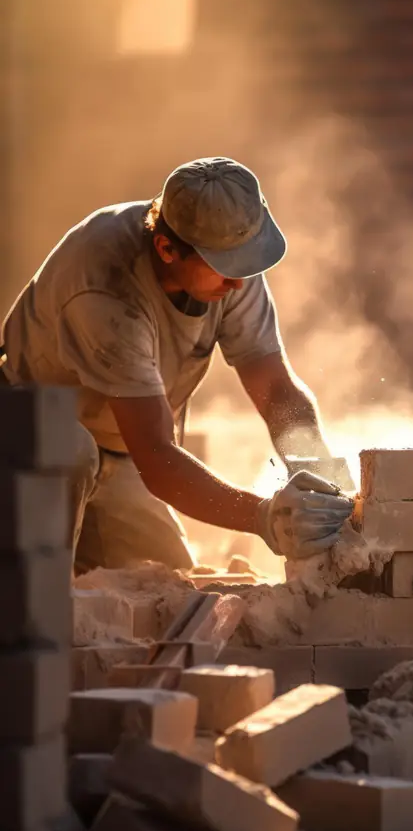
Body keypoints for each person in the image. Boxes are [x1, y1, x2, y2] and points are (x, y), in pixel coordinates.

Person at [1, 157, 354, 574]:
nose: (239, 283)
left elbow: (275, 387)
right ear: (167, 249)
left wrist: (320, 477)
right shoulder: (105, 290)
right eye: (226, 268)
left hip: (119, 450)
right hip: (27, 440)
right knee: (68, 462)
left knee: (167, 588)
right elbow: (156, 453)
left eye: (246, 262)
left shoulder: (227, 258)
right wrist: (264, 517)